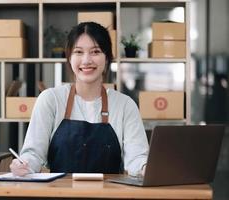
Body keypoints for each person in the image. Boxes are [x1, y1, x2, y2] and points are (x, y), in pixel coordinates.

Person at [10, 22, 149, 176]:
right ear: (69, 58)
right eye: (78, 52)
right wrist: (24, 164)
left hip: (109, 195)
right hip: (59, 194)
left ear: (107, 58)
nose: (86, 60)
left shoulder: (125, 105)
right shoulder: (50, 99)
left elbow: (137, 158)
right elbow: (34, 154)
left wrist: (145, 167)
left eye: (95, 51)